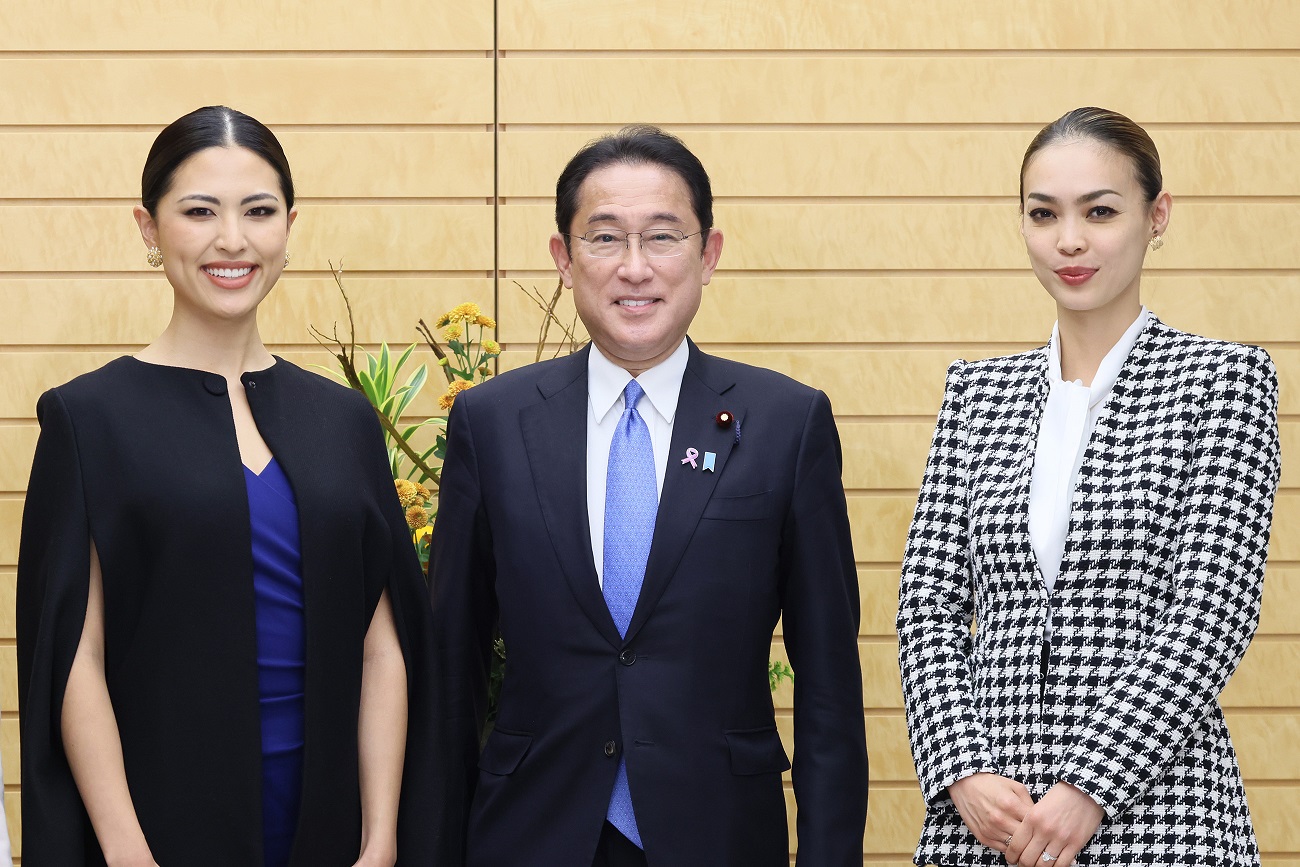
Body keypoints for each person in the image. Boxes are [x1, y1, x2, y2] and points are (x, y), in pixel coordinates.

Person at [430, 125, 868, 866]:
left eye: (663, 237)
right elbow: (452, 668)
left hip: (721, 835)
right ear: (563, 258)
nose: (635, 268)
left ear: (709, 253)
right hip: (531, 833)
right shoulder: (493, 422)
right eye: (604, 238)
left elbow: (828, 683)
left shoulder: (786, 424)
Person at [16, 105, 437, 867]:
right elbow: (76, 655)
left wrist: (380, 838)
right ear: (149, 227)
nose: (233, 240)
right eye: (200, 211)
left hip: (330, 826)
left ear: (290, 226)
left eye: (259, 211)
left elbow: (382, 648)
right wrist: (126, 850)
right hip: (162, 828)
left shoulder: (343, 418)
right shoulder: (89, 418)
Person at [897, 106, 1280, 867]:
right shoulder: (977, 394)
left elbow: (1213, 610)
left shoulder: (1223, 382)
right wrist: (961, 770)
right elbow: (928, 601)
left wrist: (1091, 784)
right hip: (990, 825)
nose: (1068, 240)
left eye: (1099, 211)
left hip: (1162, 813)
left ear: (1156, 215)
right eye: (1044, 214)